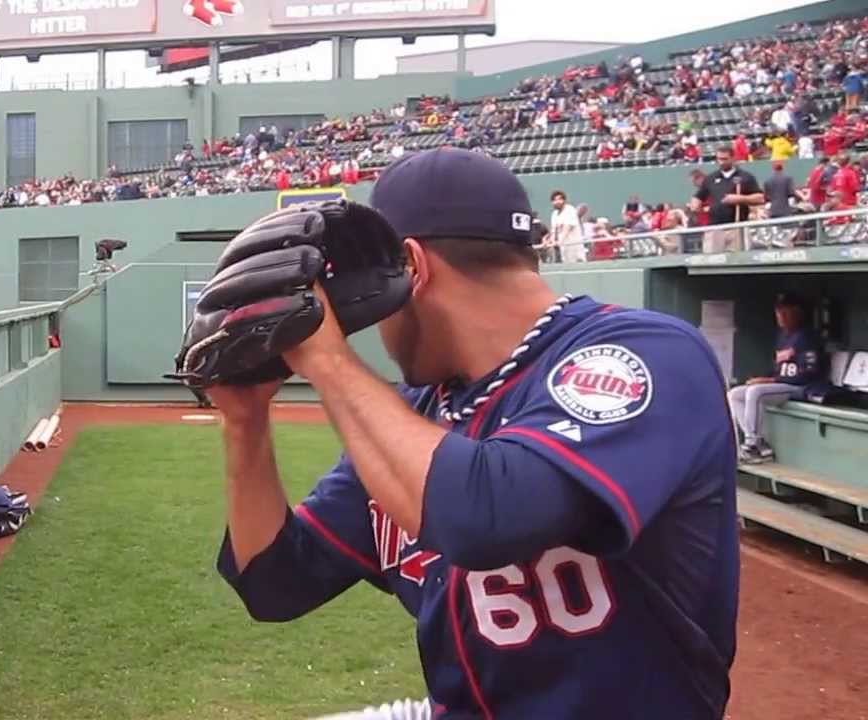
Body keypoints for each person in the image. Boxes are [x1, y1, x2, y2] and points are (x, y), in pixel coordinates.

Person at [209, 148, 740, 719]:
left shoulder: (643, 353)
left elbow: (487, 515)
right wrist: (244, 419)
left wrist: (327, 359)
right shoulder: (421, 409)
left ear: (412, 268)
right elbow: (276, 582)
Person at [727, 293, 823, 464]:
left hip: (801, 387)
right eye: (779, 313)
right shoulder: (783, 337)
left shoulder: (808, 337)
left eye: (786, 313)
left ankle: (752, 445)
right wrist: (763, 378)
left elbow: (809, 373)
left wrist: (769, 381)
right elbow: (778, 371)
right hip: (781, 385)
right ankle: (761, 443)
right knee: (735, 394)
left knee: (755, 392)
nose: (782, 317)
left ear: (798, 313)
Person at [691, 146, 764, 253]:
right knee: (710, 260)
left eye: (725, 159)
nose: (721, 162)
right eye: (719, 159)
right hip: (714, 228)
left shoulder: (745, 177)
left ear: (733, 158)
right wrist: (695, 204)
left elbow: (760, 198)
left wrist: (739, 199)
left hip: (737, 227)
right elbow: (698, 196)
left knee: (738, 259)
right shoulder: (711, 178)